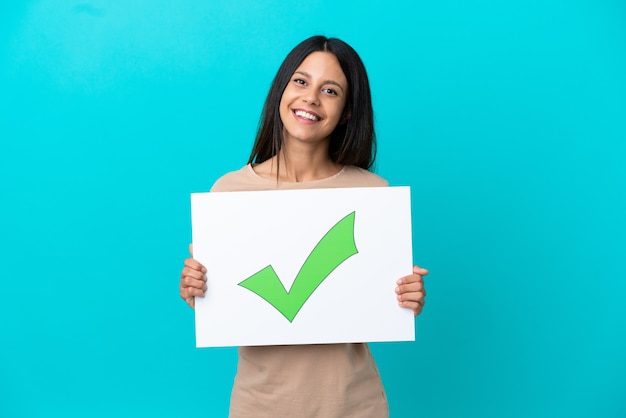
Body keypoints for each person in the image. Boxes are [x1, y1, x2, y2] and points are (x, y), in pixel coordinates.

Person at [179, 35, 428, 417]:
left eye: (330, 90)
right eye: (301, 81)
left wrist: (407, 295)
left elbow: (382, 303)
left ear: (346, 111)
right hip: (259, 404)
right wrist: (197, 288)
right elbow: (222, 304)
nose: (311, 97)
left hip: (354, 404)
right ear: (281, 90)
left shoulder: (372, 194)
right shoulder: (229, 192)